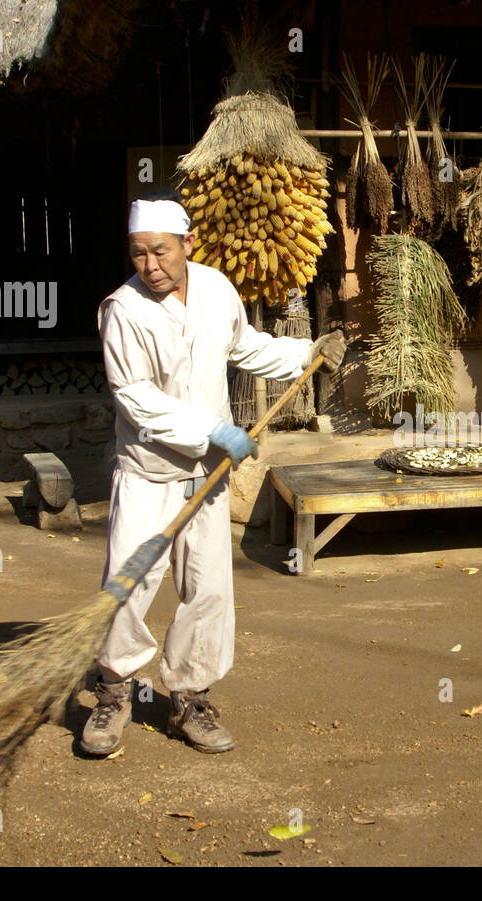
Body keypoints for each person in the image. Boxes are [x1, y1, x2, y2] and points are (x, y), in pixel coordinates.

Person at [83, 195, 345, 756]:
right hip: (150, 471)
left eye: (160, 251)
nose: (149, 265)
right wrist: (212, 429)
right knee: (129, 586)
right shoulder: (122, 311)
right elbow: (135, 399)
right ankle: (113, 690)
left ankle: (188, 697)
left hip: (208, 470)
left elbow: (244, 346)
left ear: (187, 244)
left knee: (207, 591)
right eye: (137, 254)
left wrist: (305, 354)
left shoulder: (216, 288)